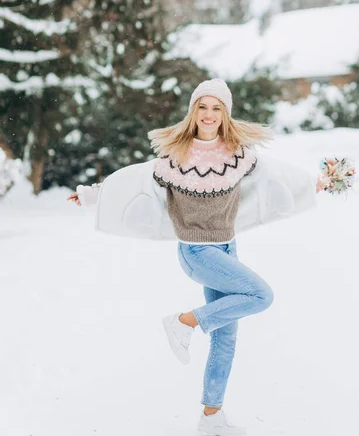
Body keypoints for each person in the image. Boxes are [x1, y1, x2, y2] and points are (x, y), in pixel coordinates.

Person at [68, 78, 325, 436]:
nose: (208, 115)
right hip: (196, 251)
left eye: (216, 108)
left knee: (226, 338)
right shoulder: (176, 156)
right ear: (193, 112)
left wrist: (313, 183)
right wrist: (93, 195)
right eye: (202, 107)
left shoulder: (238, 154)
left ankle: (211, 417)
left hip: (227, 246)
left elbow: (274, 177)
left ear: (225, 114)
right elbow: (136, 181)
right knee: (260, 295)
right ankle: (184, 322)